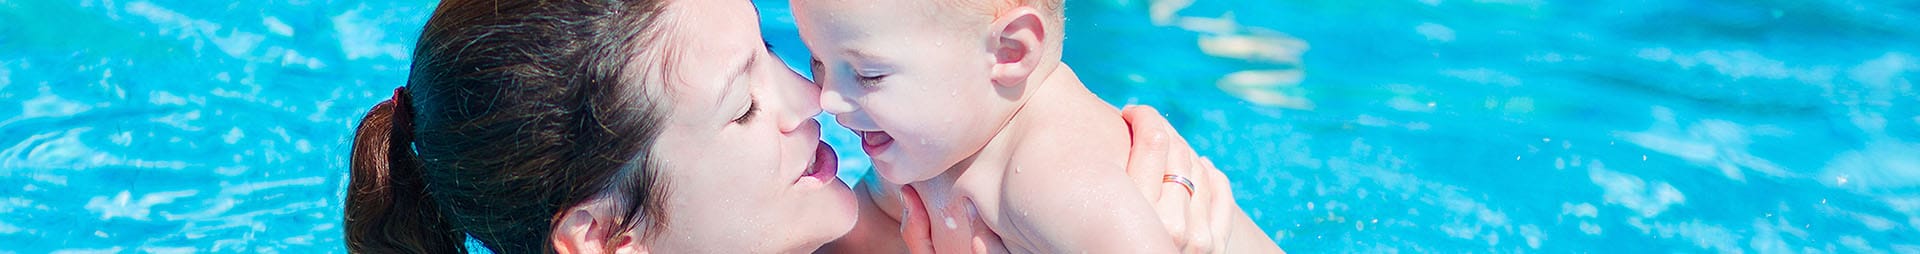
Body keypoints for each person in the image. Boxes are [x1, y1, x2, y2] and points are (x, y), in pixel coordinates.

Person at [346, 0, 1257, 253]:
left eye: (772, 54)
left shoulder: (865, 215)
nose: (809, 99)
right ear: (604, 235)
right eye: (745, 104)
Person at [791, 0, 1282, 252]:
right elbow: (862, 232)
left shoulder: (1053, 178)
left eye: (868, 74)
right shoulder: (932, 143)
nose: (828, 99)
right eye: (817, 63)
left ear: (1010, 52)